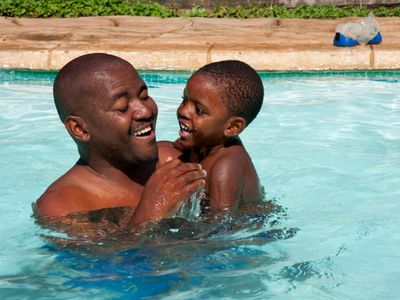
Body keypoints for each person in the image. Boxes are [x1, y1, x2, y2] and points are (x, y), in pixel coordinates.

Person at [34, 53, 206, 230]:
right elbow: (110, 258)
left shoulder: (173, 161)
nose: (145, 111)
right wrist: (151, 211)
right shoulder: (61, 207)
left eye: (144, 96)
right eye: (123, 107)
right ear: (80, 128)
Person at [159, 60, 264, 214]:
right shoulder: (203, 142)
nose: (183, 111)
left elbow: (219, 228)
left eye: (199, 111)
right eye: (185, 99)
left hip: (248, 229)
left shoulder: (225, 167)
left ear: (232, 127)